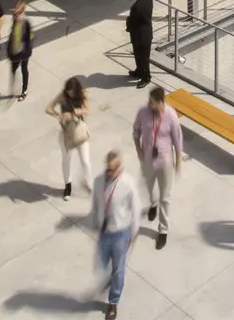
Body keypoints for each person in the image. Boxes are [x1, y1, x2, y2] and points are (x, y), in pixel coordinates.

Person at [91, 150, 140, 320]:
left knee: (118, 269)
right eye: (108, 169)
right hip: (104, 230)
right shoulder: (98, 181)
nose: (110, 173)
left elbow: (136, 207)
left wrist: (134, 232)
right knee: (102, 263)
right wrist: (94, 219)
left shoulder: (128, 184)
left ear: (120, 168)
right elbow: (96, 202)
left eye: (114, 169)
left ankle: (113, 302)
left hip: (121, 232)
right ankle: (112, 278)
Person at [133, 86, 182, 250]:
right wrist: (138, 150)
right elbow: (135, 131)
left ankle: (163, 230)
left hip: (165, 162)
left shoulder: (171, 116)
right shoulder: (142, 112)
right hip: (147, 160)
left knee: (165, 198)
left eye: (152, 102)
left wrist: (179, 161)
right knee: (149, 187)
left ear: (161, 102)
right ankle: (153, 204)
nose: (148, 103)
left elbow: (177, 140)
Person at [46, 76, 92, 201]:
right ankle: (68, 185)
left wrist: (77, 112)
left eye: (72, 91)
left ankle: (87, 182)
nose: (70, 94)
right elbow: (48, 108)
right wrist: (58, 115)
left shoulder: (83, 93)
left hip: (79, 130)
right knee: (66, 159)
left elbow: (87, 110)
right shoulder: (62, 95)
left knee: (86, 162)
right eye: (68, 91)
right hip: (66, 132)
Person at [126, 0, 153, 88]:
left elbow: (133, 20)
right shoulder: (149, 0)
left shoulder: (136, 6)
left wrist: (128, 25)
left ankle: (146, 77)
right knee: (140, 55)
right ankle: (139, 71)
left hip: (139, 35)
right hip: (146, 33)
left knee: (143, 57)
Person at [7, 1, 32, 101]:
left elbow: (30, 37)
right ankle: (13, 89)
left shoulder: (26, 22)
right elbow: (12, 34)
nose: (16, 13)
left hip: (24, 51)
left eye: (18, 11)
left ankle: (24, 90)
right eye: (15, 11)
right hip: (15, 51)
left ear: (22, 11)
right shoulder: (15, 19)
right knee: (13, 69)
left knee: (24, 69)